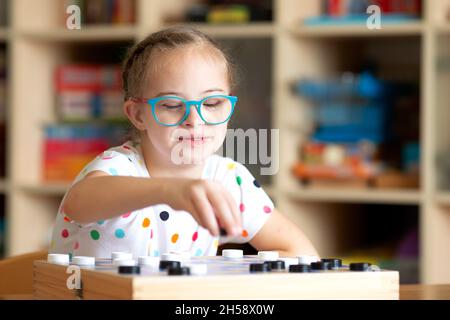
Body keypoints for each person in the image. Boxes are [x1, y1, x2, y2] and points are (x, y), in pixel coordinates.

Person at [49, 26, 318, 259]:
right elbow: (79, 202)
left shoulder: (228, 179)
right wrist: (171, 190)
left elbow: (302, 253)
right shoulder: (119, 167)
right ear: (138, 114)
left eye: (212, 103)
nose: (194, 119)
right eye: (172, 104)